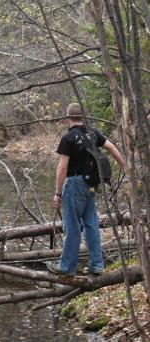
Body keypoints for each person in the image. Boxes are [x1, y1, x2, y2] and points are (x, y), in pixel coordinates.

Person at [49, 103, 125, 276]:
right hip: (91, 186)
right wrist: (125, 167)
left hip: (74, 184)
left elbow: (62, 168)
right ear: (82, 117)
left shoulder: (68, 138)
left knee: (72, 226)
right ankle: (97, 265)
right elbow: (112, 147)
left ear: (68, 118)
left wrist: (58, 193)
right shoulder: (92, 133)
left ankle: (67, 267)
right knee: (91, 224)